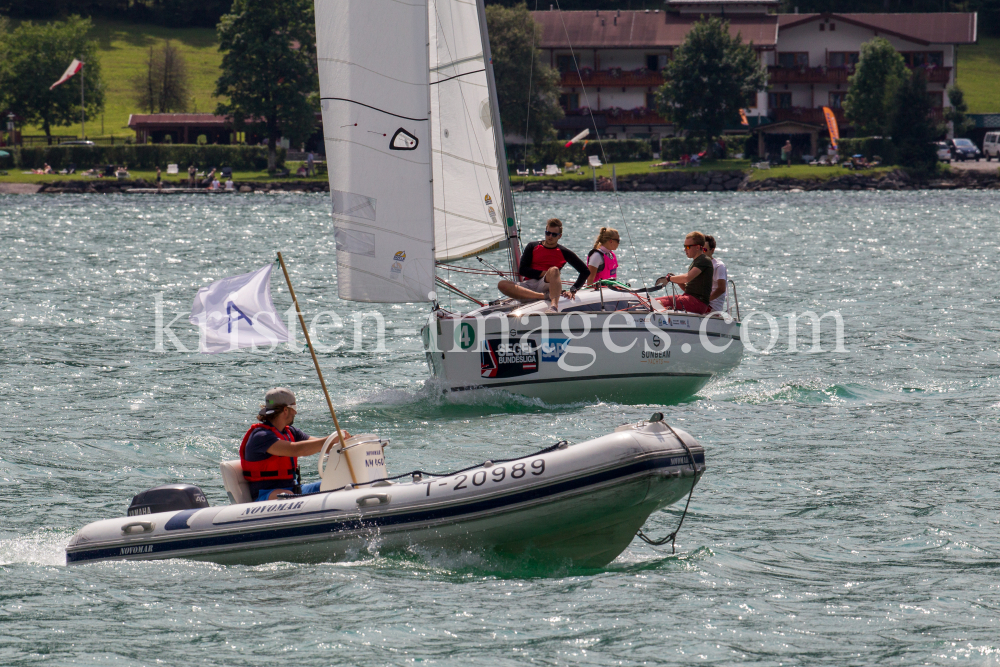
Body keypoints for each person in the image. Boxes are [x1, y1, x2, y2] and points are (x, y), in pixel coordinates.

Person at [240, 388, 351, 502]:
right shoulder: (261, 436)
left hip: (294, 490)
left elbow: (323, 446)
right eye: (294, 408)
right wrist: (327, 439)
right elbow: (296, 449)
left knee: (337, 485)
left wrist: (345, 442)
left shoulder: (291, 432)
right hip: (266, 494)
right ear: (285, 410)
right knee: (286, 495)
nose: (296, 412)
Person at [497, 218, 587, 311]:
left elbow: (585, 271)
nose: (550, 236)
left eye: (554, 234)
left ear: (559, 236)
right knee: (502, 284)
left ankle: (553, 307)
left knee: (554, 270)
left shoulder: (564, 252)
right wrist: (543, 273)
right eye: (548, 233)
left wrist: (573, 290)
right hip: (529, 286)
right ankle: (543, 297)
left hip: (547, 285)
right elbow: (522, 270)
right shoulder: (533, 246)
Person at [655, 231, 713, 315]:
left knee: (657, 303)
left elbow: (687, 278)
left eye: (688, 247)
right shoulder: (696, 262)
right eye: (684, 246)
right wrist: (675, 279)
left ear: (697, 247)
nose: (685, 249)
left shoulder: (704, 260)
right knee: (652, 301)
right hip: (690, 299)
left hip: (698, 303)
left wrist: (669, 278)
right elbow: (687, 289)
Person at [704, 234, 728, 314]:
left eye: (704, 250)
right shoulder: (698, 266)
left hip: (712, 307)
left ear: (712, 250)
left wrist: (706, 299)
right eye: (700, 249)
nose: (701, 252)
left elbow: (721, 289)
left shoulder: (718, 266)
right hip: (701, 302)